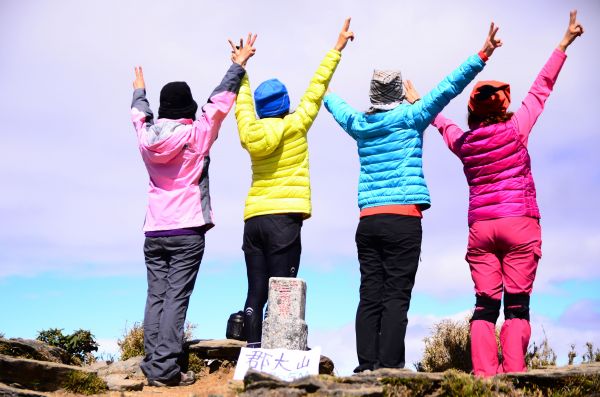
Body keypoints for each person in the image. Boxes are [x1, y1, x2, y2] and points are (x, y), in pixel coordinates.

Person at [408, 11, 583, 377]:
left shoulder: (466, 143)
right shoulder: (518, 128)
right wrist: (563, 44)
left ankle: (484, 380)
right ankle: (515, 378)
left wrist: (419, 102)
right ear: (503, 106)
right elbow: (541, 88)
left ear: (473, 112)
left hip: (482, 230)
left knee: (485, 307)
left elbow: (443, 124)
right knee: (517, 306)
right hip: (520, 224)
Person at [323, 23, 503, 372]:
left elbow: (328, 98)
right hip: (404, 220)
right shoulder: (413, 115)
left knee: (369, 293)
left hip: (369, 221)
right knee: (396, 296)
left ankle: (366, 366)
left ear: (373, 94)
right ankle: (389, 367)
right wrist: (483, 54)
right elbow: (450, 86)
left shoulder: (359, 124)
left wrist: (334, 53)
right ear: (398, 94)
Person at [130, 34, 257, 386]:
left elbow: (139, 117)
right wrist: (238, 65)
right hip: (187, 229)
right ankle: (165, 369)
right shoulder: (197, 135)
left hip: (154, 229)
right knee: (176, 298)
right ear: (188, 109)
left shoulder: (147, 140)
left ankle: (152, 362)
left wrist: (140, 91)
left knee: (156, 295)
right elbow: (218, 103)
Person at [234, 19, 355, 348]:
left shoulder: (251, 131)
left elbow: (242, 107)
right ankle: (281, 356)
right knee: (283, 289)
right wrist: (336, 50)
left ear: (261, 109)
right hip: (284, 219)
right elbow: (317, 89)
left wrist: (240, 70)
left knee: (255, 291)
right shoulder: (297, 124)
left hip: (255, 218)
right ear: (285, 103)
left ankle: (252, 352)